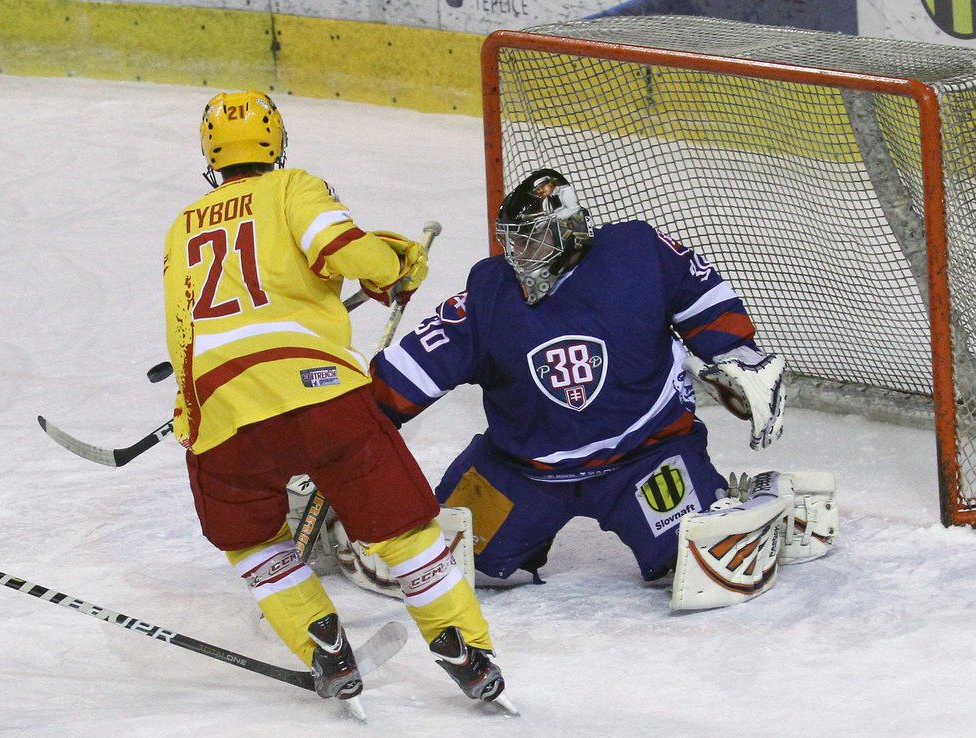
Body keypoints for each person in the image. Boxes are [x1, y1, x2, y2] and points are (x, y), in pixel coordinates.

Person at [162, 90, 510, 715]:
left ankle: (324, 645)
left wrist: (195, 424)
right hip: (321, 398)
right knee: (403, 529)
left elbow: (182, 332)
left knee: (252, 539)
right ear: (278, 144)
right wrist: (390, 267)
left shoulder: (181, 226)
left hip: (220, 412)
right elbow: (337, 247)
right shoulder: (292, 187)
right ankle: (465, 648)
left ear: (211, 155)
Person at [369, 168, 795, 594]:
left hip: (646, 457)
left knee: (708, 564)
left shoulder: (637, 252)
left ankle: (763, 500)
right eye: (513, 240)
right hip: (523, 472)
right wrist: (352, 428)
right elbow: (414, 368)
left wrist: (737, 353)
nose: (519, 253)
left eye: (531, 239)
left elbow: (701, 296)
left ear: (570, 230)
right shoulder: (488, 291)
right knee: (435, 567)